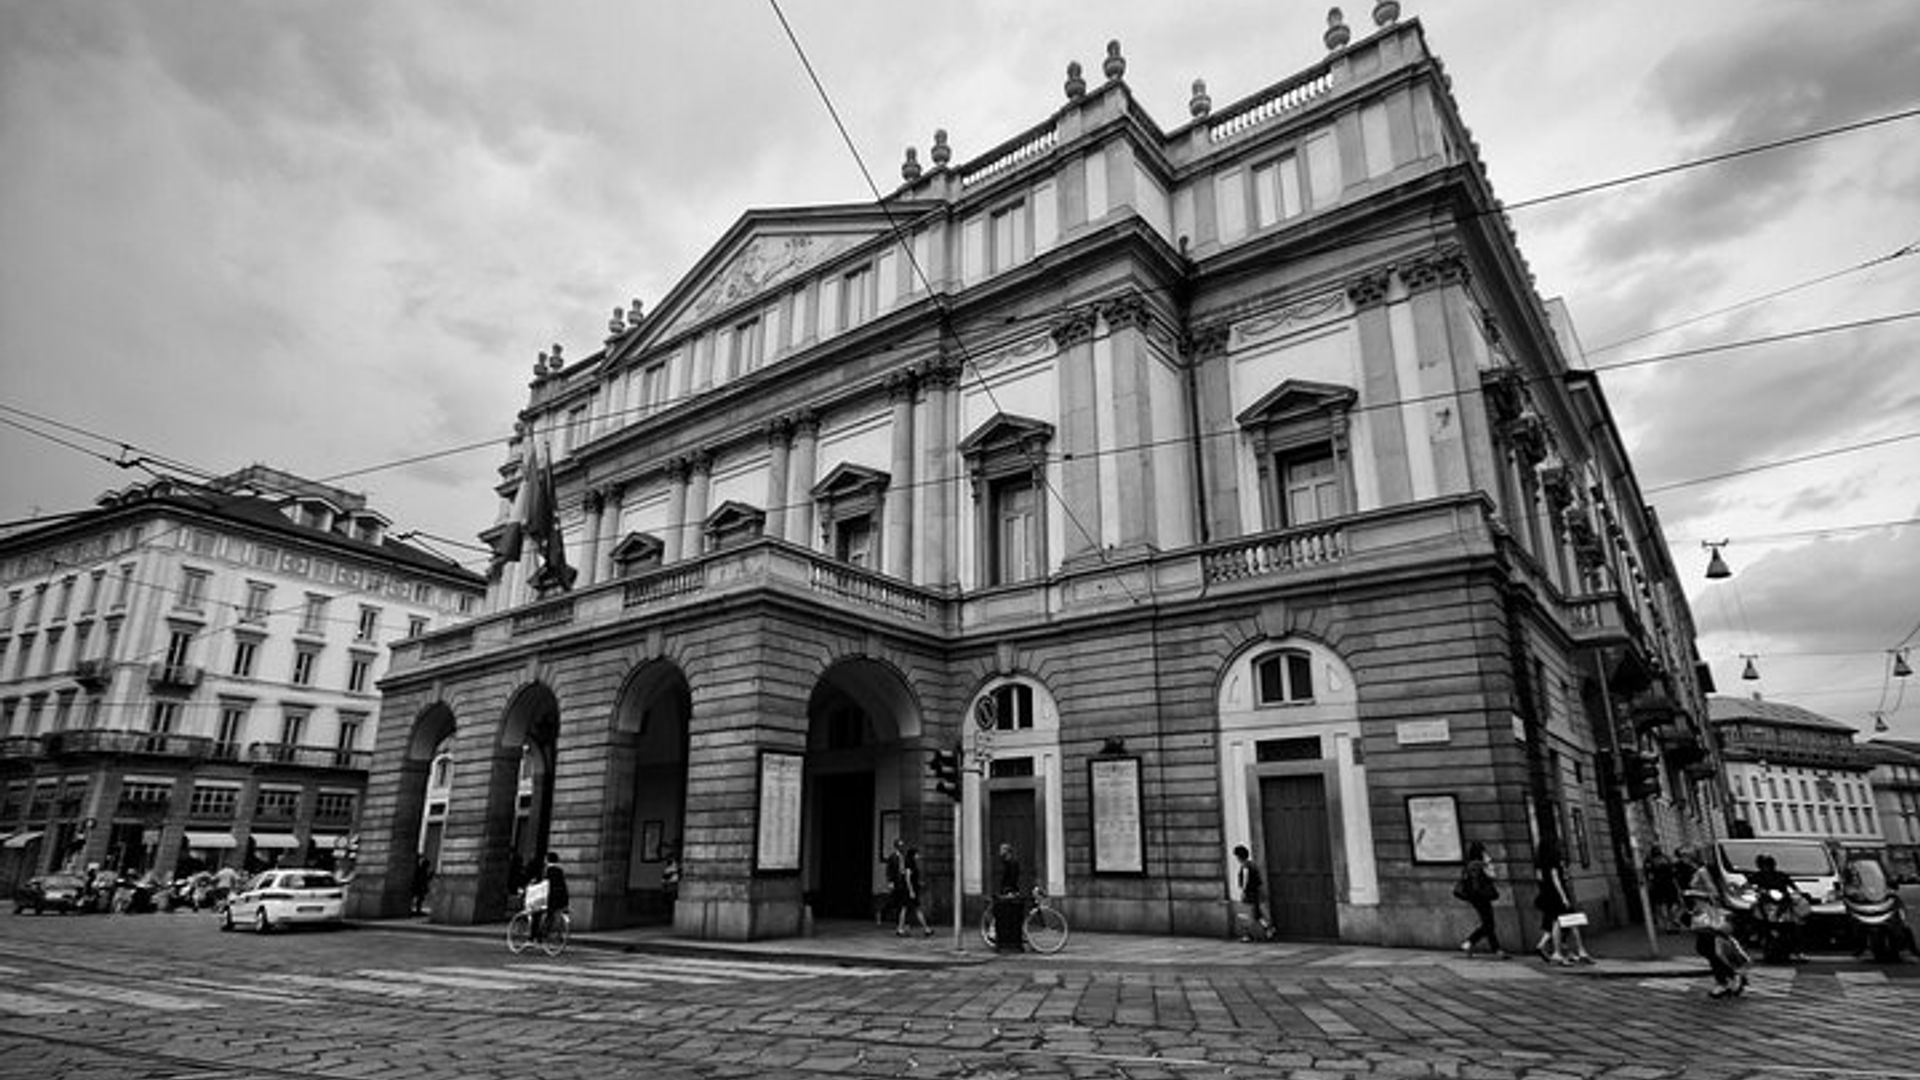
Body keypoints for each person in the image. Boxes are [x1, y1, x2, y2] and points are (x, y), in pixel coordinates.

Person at [1684, 857, 1747, 997]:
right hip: (1707, 912)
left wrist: (1695, 895)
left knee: (1711, 948)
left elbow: (1709, 892)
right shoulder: (1706, 872)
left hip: (1710, 914)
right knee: (1708, 948)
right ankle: (1727, 978)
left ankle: (1727, 979)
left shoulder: (1703, 872)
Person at [1531, 841, 1594, 965]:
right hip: (1557, 896)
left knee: (1563, 922)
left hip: (1549, 895)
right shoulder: (1553, 862)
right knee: (1564, 922)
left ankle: (1569, 951)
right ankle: (1564, 953)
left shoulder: (1540, 864)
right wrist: (1564, 897)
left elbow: (1541, 880)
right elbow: (1556, 881)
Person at [1750, 853, 1808, 962]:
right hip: (1765, 903)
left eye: (1768, 864)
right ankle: (1754, 932)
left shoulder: (1781, 875)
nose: (1766, 867)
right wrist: (1754, 891)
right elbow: (1747, 886)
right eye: (1763, 865)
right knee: (1752, 912)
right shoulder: (1756, 876)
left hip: (1783, 904)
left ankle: (1799, 951)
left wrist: (1796, 893)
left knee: (1796, 923)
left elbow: (1792, 887)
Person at [1455, 841, 1506, 958]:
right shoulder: (1480, 864)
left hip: (1474, 898)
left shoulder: (1469, 865)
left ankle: (1497, 950)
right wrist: (1488, 861)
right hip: (1482, 897)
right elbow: (1493, 876)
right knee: (1489, 924)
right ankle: (1469, 942)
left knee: (1488, 923)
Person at [1232, 844, 1275, 943]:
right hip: (1256, 893)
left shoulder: (1246, 866)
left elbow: (1246, 880)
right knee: (1256, 915)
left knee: (1246, 915)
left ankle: (1248, 935)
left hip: (1250, 894)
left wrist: (1243, 891)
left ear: (1239, 856)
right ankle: (1268, 928)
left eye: (1236, 856)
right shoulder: (1252, 864)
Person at [896, 845, 933, 937]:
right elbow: (908, 878)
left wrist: (918, 884)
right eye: (917, 854)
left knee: (906, 909)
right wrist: (911, 891)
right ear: (913, 855)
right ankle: (926, 928)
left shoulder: (911, 863)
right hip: (909, 891)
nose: (918, 856)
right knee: (916, 909)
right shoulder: (909, 864)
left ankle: (901, 928)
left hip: (910, 890)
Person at [535, 851, 569, 940]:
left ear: (547, 860)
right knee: (554, 913)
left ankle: (540, 934)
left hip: (551, 897)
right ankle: (558, 933)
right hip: (562, 897)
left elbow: (544, 885)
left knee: (540, 913)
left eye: (545, 859)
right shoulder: (560, 870)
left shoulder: (547, 870)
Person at [1644, 846, 1680, 932]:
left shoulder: (1649, 861)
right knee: (1674, 904)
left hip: (1658, 886)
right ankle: (1673, 919)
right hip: (1669, 884)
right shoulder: (1666, 859)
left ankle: (1668, 926)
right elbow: (1674, 872)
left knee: (1662, 905)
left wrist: (1650, 884)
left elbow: (1649, 875)